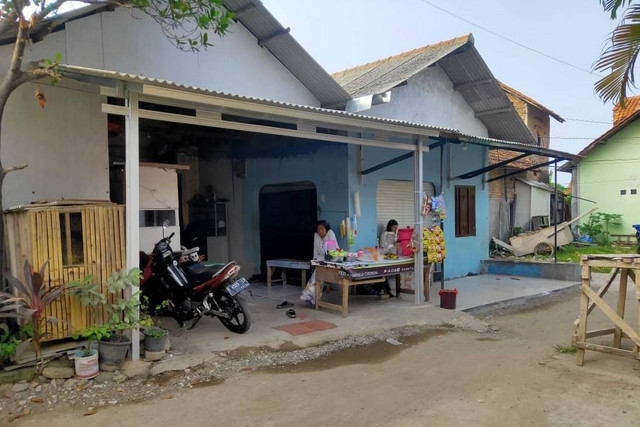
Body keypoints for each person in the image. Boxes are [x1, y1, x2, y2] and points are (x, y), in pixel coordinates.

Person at [301, 220, 337, 304]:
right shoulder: (316, 236)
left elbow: (332, 252)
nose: (320, 231)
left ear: (326, 229)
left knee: (318, 274)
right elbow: (315, 250)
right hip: (321, 259)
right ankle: (312, 295)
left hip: (333, 258)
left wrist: (320, 261)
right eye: (318, 229)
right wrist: (314, 260)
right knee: (316, 274)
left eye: (322, 229)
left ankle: (311, 295)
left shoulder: (330, 234)